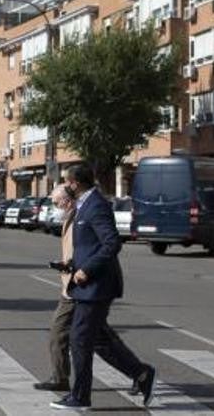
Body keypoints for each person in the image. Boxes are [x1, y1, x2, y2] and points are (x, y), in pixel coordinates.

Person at [51, 164, 156, 412]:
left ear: (75, 184)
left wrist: (87, 269)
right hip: (87, 285)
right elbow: (89, 245)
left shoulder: (96, 205)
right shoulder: (87, 204)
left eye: (67, 182)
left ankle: (81, 396)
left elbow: (111, 244)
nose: (66, 186)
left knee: (79, 340)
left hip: (96, 285)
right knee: (98, 340)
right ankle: (141, 374)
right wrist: (71, 264)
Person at [35, 183, 76, 392]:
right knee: (101, 339)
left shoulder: (78, 218)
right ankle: (139, 373)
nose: (54, 207)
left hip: (76, 286)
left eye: (56, 202)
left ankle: (60, 378)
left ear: (67, 201)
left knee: (58, 332)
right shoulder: (70, 218)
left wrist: (75, 267)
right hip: (71, 284)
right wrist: (65, 264)